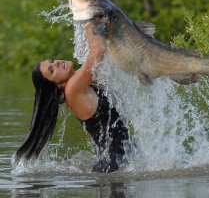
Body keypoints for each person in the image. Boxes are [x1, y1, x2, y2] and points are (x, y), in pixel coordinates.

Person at [14, 22, 129, 173]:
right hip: (113, 167)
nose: (56, 63)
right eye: (51, 70)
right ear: (56, 85)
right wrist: (89, 20)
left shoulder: (80, 83)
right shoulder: (72, 90)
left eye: (51, 61)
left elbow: (97, 53)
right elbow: (98, 51)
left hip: (122, 159)